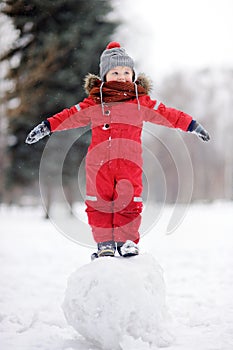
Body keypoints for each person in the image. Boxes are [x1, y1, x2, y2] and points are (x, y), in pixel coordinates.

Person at [26, 41, 210, 259]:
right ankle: (105, 243)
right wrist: (47, 127)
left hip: (129, 166)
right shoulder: (94, 104)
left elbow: (168, 114)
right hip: (99, 167)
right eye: (115, 72)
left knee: (130, 203)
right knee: (98, 204)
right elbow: (68, 116)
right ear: (104, 76)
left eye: (126, 71)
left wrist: (192, 125)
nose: (121, 76)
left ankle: (127, 241)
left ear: (133, 75)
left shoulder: (141, 104)